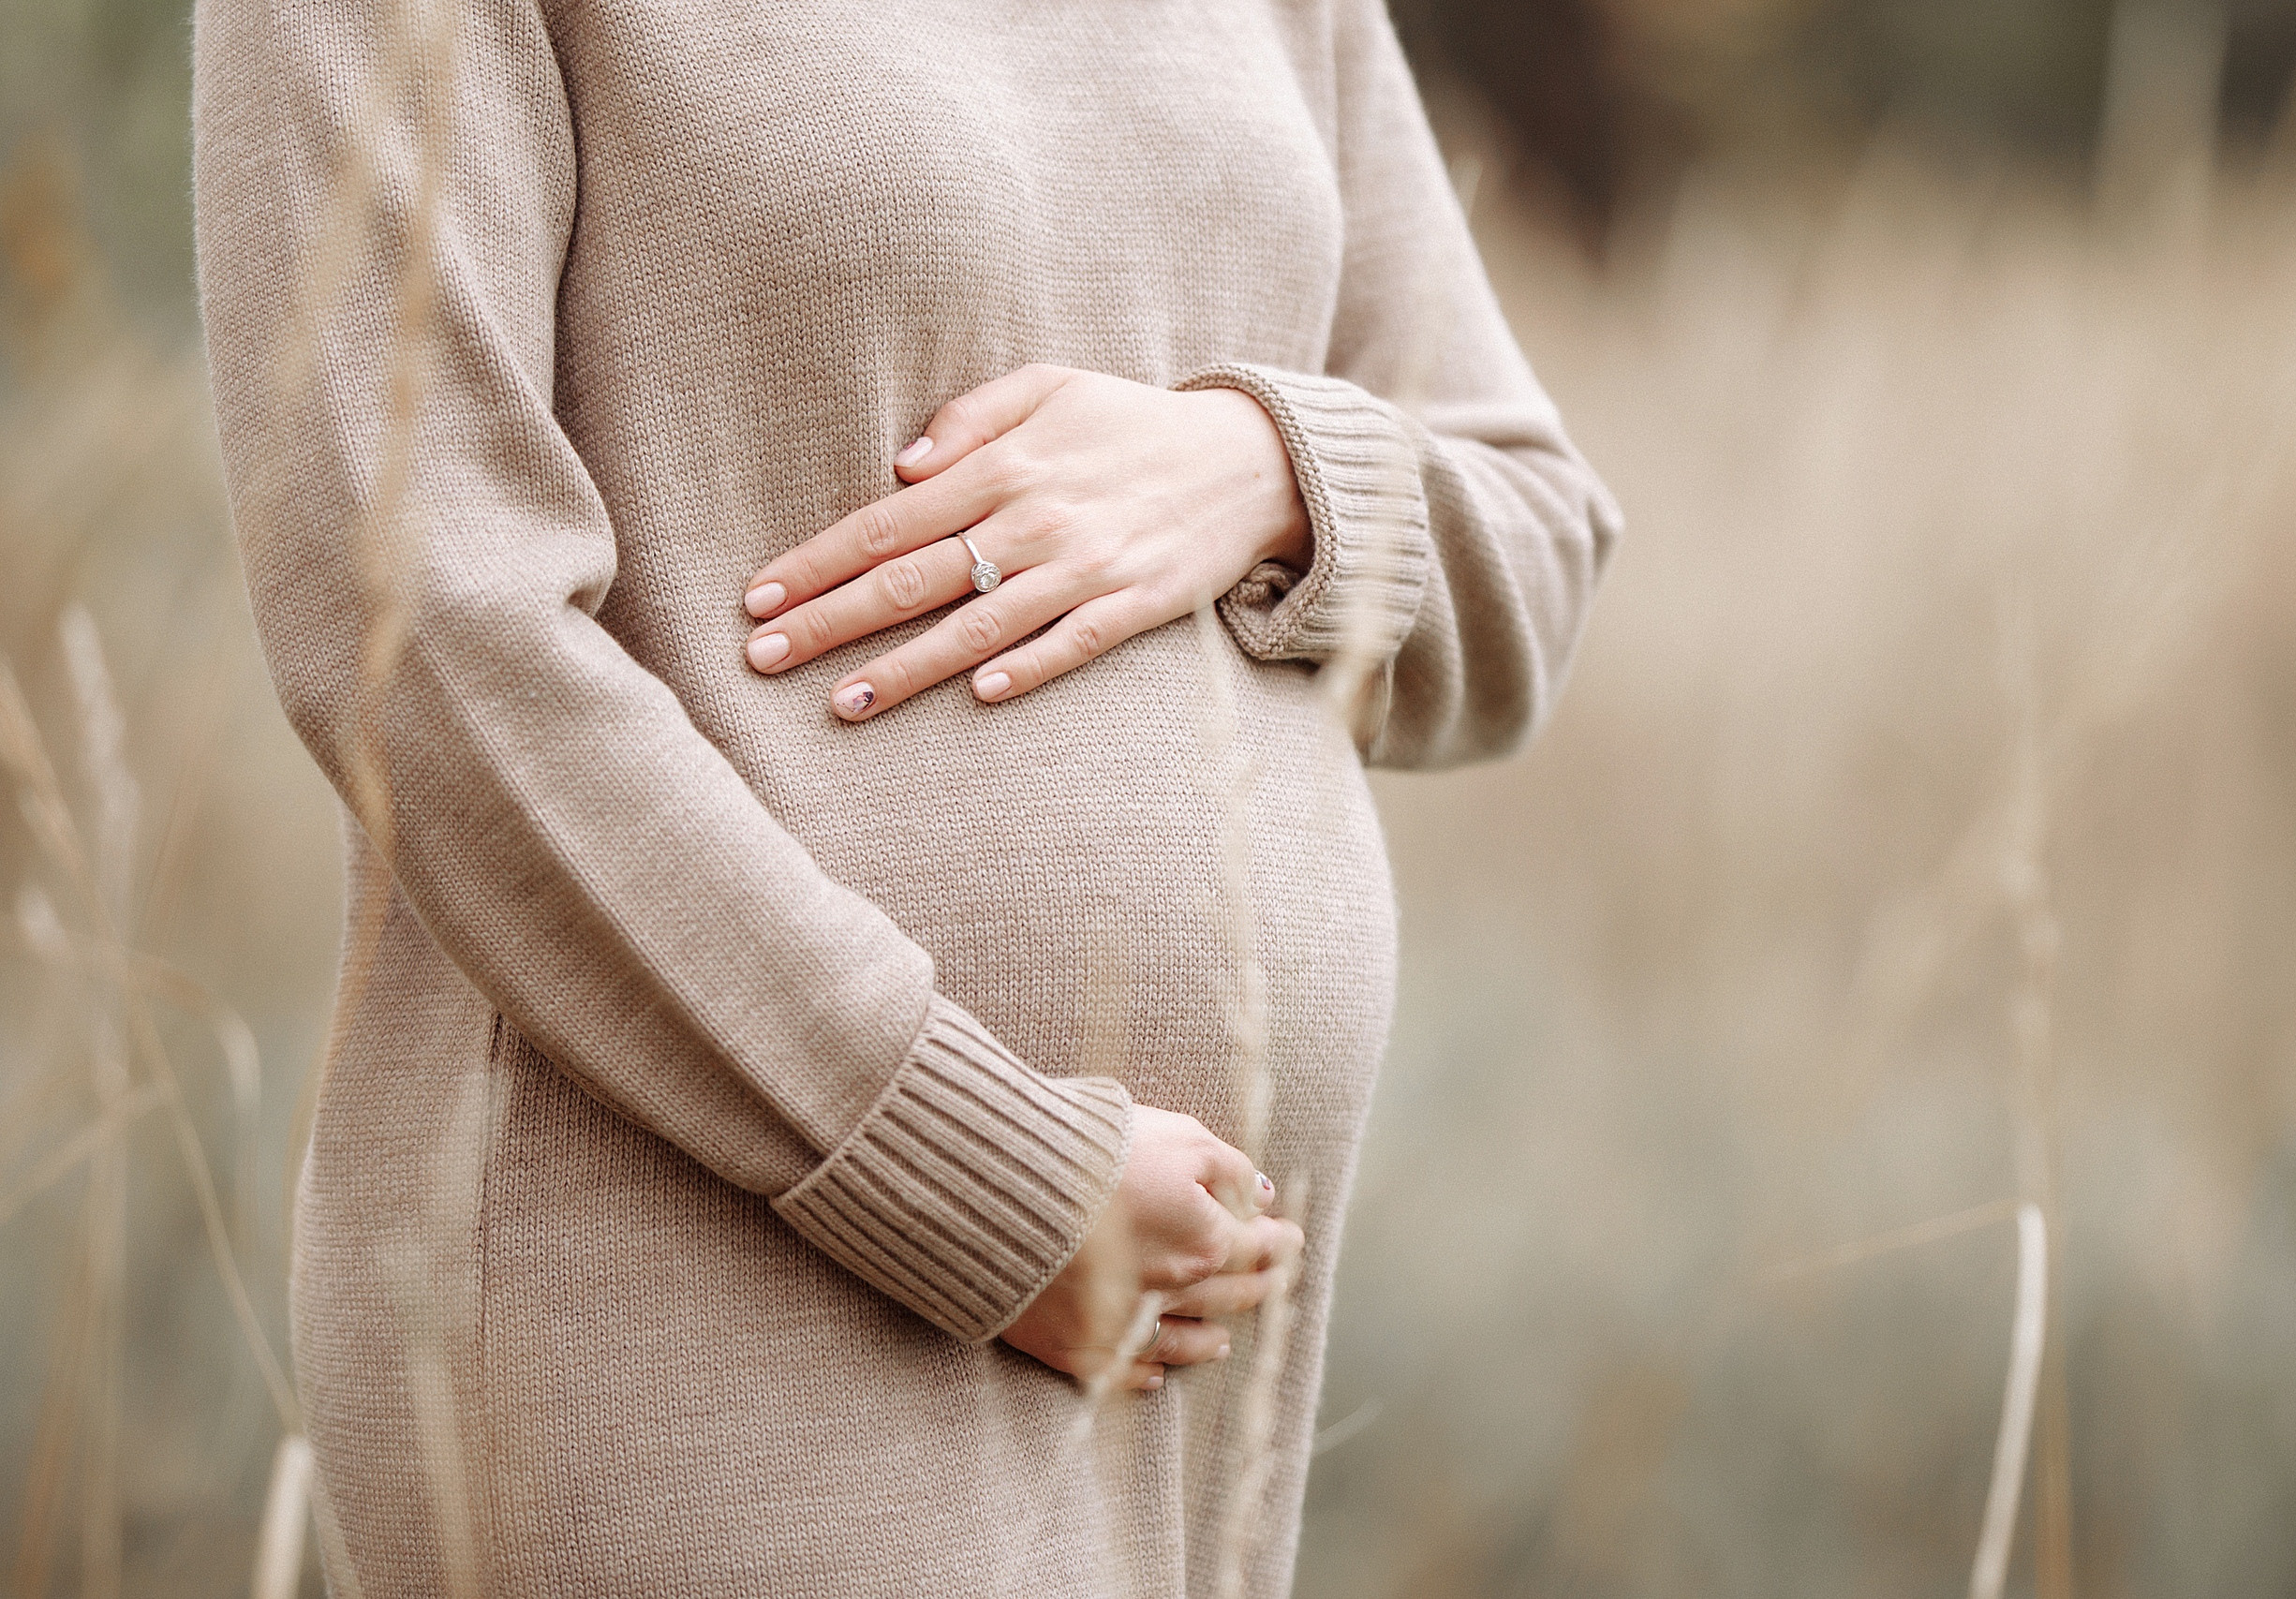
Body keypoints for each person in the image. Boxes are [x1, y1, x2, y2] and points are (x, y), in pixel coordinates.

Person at [194, 0, 1618, 1592]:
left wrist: (1259, 468)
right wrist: (974, 1173)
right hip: (705, 1299)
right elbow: (415, 623)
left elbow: (1541, 533)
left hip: (1180, 1363)